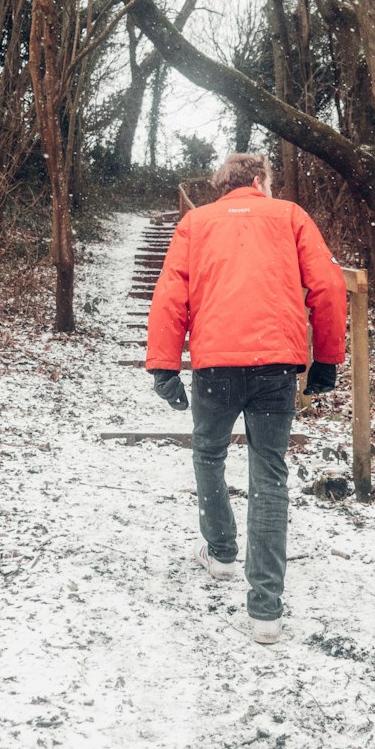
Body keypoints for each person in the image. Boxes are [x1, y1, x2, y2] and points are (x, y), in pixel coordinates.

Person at [146, 152, 348, 644]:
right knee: (270, 475)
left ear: (224, 186)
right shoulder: (290, 216)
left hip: (215, 366)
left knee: (209, 454)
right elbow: (327, 285)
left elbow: (171, 295)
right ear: (260, 180)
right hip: (276, 366)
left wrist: (164, 366)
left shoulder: (196, 222)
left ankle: (220, 553)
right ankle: (265, 613)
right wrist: (325, 359)